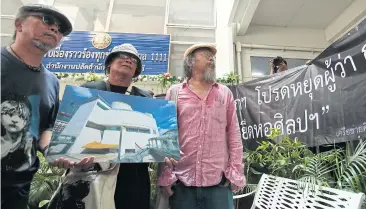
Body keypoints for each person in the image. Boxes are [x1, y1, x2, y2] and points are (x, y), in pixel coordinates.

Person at [48, 43, 171, 209]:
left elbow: (156, 138)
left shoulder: (145, 98)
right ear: (109, 64)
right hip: (91, 172)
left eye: (134, 59)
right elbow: (70, 128)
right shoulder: (88, 90)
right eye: (122, 56)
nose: (128, 60)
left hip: (133, 178)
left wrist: (166, 151)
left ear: (136, 71)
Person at [1, 4, 72, 209]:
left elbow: (45, 127)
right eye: (46, 20)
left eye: (60, 30)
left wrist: (53, 150)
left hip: (18, 188)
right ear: (19, 25)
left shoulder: (51, 81)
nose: (54, 29)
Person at [158, 43, 246, 209]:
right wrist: (167, 175)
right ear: (191, 62)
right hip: (182, 183)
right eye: (206, 55)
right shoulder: (175, 92)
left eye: (212, 56)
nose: (211, 58)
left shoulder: (224, 93)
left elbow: (234, 134)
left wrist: (235, 172)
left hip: (218, 184)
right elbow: (165, 136)